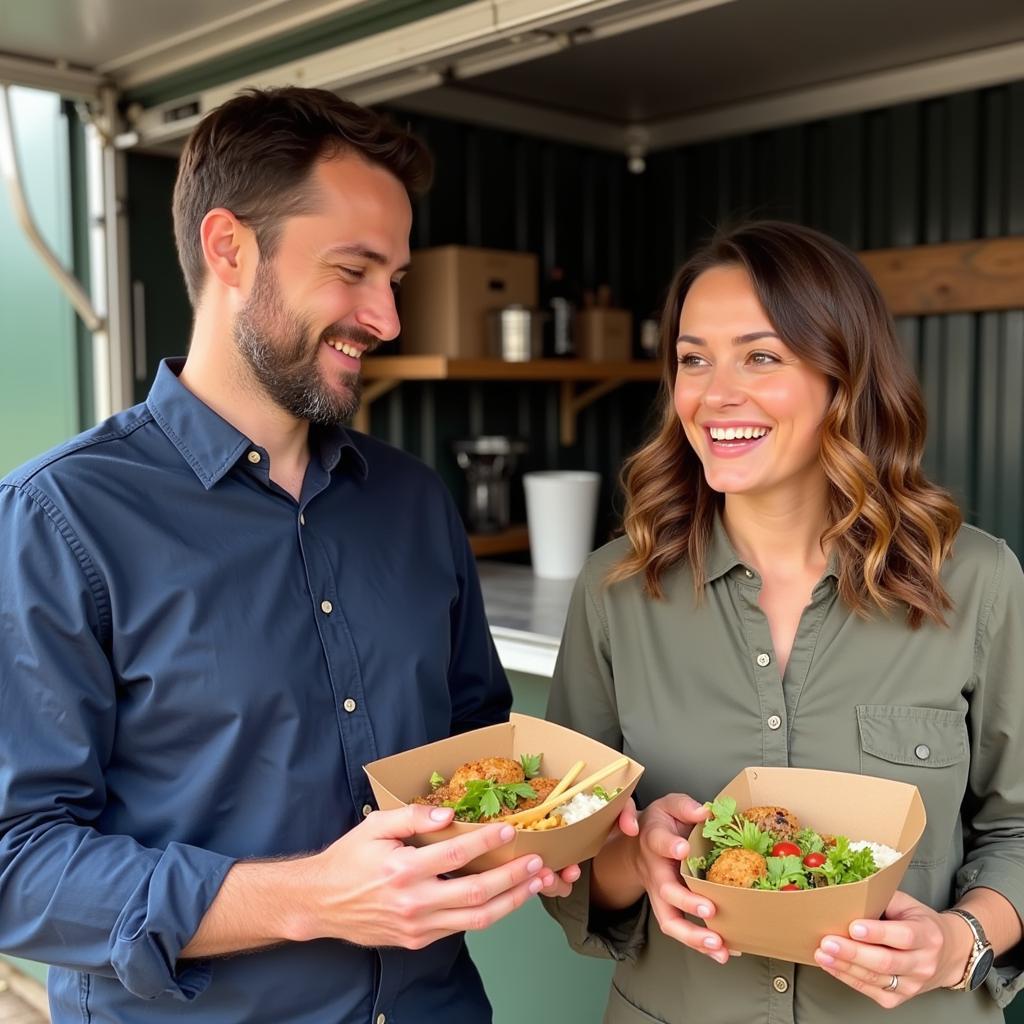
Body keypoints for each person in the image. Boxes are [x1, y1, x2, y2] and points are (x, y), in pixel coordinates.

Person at [0, 86, 574, 1024]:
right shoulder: (58, 519)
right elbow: (16, 863)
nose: (386, 319)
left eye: (396, 278)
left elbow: (481, 753)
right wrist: (310, 898)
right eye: (353, 270)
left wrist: (546, 832)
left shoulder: (414, 502)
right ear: (230, 247)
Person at [542, 221, 1024, 1022]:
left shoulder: (975, 582)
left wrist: (959, 940)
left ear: (845, 376)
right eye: (693, 358)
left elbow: (1019, 829)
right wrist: (639, 856)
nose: (714, 394)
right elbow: (572, 847)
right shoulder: (616, 589)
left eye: (761, 356)